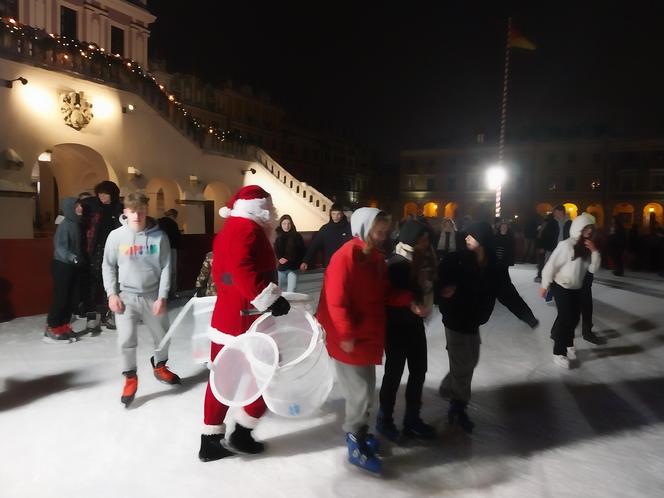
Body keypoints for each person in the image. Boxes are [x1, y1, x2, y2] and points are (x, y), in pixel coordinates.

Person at [199, 185, 290, 462]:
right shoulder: (247, 229)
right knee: (268, 372)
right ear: (260, 208)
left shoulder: (234, 228)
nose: (273, 213)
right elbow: (241, 270)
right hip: (245, 319)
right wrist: (270, 299)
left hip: (232, 316)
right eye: (270, 207)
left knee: (225, 378)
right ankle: (240, 432)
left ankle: (213, 438)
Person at [316, 207, 391, 474]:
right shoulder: (345, 257)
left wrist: (409, 302)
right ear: (363, 229)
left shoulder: (375, 257)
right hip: (347, 338)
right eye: (378, 231)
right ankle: (354, 440)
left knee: (367, 391)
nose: (382, 236)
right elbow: (335, 300)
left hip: (366, 335)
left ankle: (360, 431)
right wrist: (346, 333)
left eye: (384, 231)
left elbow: (383, 295)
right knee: (359, 394)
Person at [102, 192, 181, 406]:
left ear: (146, 211)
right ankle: (130, 377)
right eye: (133, 211)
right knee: (126, 340)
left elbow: (166, 266)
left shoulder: (159, 236)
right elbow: (108, 265)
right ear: (125, 212)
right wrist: (112, 294)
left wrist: (162, 296)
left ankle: (160, 366)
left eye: (141, 211)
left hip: (153, 295)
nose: (137, 215)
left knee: (163, 336)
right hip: (126, 297)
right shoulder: (116, 236)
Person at [437, 222, 508, 433]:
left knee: (471, 360)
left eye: (472, 236)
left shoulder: (491, 263)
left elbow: (502, 289)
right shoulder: (455, 259)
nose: (466, 238)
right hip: (454, 320)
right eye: (466, 235)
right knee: (463, 363)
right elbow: (437, 280)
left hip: (473, 321)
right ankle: (458, 408)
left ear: (483, 241)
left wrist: (525, 315)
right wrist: (443, 290)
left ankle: (449, 386)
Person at [377, 220, 436, 442]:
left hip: (415, 325)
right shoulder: (395, 261)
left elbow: (427, 287)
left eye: (427, 238)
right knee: (394, 374)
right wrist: (410, 303)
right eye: (422, 238)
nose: (426, 242)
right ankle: (384, 420)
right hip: (396, 326)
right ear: (411, 238)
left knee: (419, 371)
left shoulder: (425, 260)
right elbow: (385, 295)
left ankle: (412, 419)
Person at [540, 213, 601, 369]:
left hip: (576, 287)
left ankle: (568, 344)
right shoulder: (566, 245)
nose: (588, 231)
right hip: (561, 285)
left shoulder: (586, 247)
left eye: (590, 228)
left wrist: (594, 252)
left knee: (574, 319)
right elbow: (551, 265)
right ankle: (558, 352)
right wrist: (545, 284)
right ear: (578, 228)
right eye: (585, 228)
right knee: (566, 318)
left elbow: (593, 268)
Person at [80, 181, 123, 333]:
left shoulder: (119, 208)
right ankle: (91, 315)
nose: (102, 197)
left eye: (105, 194)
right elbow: (79, 204)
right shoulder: (93, 205)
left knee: (111, 282)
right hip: (96, 249)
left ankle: (108, 314)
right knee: (93, 281)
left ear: (113, 194)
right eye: (100, 194)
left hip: (114, 249)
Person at [45, 197, 83, 342]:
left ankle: (63, 325)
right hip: (62, 265)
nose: (80, 208)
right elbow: (60, 246)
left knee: (72, 298)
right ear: (69, 209)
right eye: (77, 206)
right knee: (61, 297)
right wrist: (72, 257)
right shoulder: (64, 225)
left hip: (72, 265)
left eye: (80, 205)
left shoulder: (76, 224)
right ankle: (52, 326)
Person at [300, 203, 351, 271]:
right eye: (333, 214)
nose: (336, 216)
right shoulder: (325, 229)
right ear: (330, 214)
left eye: (338, 214)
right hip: (330, 264)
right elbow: (314, 245)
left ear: (342, 214)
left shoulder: (348, 228)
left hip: (345, 264)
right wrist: (305, 261)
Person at [535, 205, 571, 283]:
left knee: (563, 266)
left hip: (565, 250)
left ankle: (561, 282)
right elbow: (544, 236)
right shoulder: (551, 223)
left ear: (562, 213)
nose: (556, 215)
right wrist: (542, 247)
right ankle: (548, 282)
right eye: (555, 213)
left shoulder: (569, 223)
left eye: (557, 213)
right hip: (552, 248)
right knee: (549, 266)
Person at [273, 214, 305, 292]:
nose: (287, 226)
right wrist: (279, 258)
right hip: (280, 268)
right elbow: (274, 250)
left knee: (292, 290)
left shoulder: (297, 236)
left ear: (291, 224)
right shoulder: (276, 236)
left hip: (293, 268)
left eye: (289, 223)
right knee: (279, 291)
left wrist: (303, 262)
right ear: (281, 224)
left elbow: (302, 251)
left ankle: (290, 304)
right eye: (284, 223)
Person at [158, 208, 181, 298]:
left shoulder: (159, 222)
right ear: (174, 216)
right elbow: (177, 237)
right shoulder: (173, 223)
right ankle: (172, 292)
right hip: (171, 248)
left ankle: (162, 293)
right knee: (172, 271)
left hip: (160, 249)